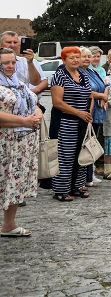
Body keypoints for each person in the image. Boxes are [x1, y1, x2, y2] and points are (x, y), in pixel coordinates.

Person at [0, 47, 41, 235]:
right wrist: (24, 121)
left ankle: (9, 225)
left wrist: (37, 114)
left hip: (22, 141)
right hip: (4, 141)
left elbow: (35, 101)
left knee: (14, 183)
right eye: (5, 63)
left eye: (13, 62)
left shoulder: (18, 82)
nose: (10, 66)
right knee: (3, 181)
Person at [50, 47, 93, 201]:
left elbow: (90, 95)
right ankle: (61, 189)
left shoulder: (83, 75)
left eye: (77, 57)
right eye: (71, 58)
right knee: (65, 155)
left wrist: (88, 113)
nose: (75, 60)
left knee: (81, 154)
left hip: (82, 121)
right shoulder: (60, 75)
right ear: (64, 60)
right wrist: (78, 112)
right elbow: (57, 102)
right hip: (66, 121)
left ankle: (77, 186)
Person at [80, 47, 107, 186]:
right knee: (84, 144)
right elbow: (87, 91)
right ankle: (84, 176)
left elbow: (104, 84)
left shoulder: (91, 71)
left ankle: (89, 173)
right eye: (84, 56)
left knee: (92, 142)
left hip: (97, 110)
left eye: (89, 56)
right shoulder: (79, 72)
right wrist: (101, 95)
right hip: (85, 111)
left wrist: (104, 95)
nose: (87, 59)